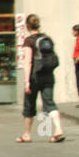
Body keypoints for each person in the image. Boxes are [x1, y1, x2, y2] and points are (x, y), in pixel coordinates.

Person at [18, 14, 65, 143]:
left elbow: (27, 62)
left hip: (34, 77)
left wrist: (27, 81)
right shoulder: (47, 38)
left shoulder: (29, 41)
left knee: (29, 105)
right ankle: (58, 130)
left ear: (27, 26)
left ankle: (27, 134)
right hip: (48, 75)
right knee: (49, 103)